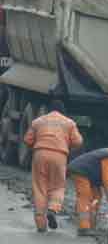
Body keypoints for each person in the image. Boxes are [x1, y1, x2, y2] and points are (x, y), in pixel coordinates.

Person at [23, 98, 83, 232]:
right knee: (57, 186)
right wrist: (67, 144)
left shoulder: (38, 121)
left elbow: (27, 140)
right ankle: (53, 209)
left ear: (49, 110)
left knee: (39, 187)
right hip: (60, 155)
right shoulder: (69, 123)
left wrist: (37, 144)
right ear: (63, 110)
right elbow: (78, 142)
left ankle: (41, 224)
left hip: (40, 154)